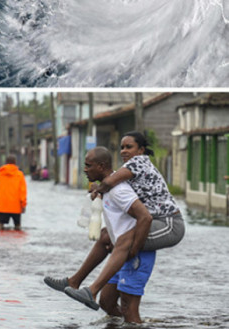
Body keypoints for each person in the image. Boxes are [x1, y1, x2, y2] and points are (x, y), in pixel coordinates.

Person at [44, 132, 184, 296]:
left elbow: (110, 181)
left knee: (124, 240)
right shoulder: (128, 168)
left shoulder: (140, 161)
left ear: (141, 150)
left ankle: (92, 291)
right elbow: (112, 182)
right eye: (122, 147)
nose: (124, 151)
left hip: (169, 223)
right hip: (151, 221)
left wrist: (132, 250)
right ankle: (74, 281)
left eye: (129, 147)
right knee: (105, 236)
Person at [60, 147, 155, 323]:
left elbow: (145, 217)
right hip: (121, 253)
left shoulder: (119, 190)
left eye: (88, 165)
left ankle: (133, 322)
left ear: (102, 166)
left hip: (134, 253)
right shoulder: (108, 189)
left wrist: (134, 249)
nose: (85, 169)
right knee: (107, 302)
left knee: (128, 307)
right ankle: (77, 282)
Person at [0, 155, 27, 230]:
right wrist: (23, 204)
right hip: (15, 206)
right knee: (17, 228)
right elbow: (23, 191)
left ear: (6, 162)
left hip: (2, 206)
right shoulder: (20, 175)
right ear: (15, 162)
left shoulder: (0, 174)